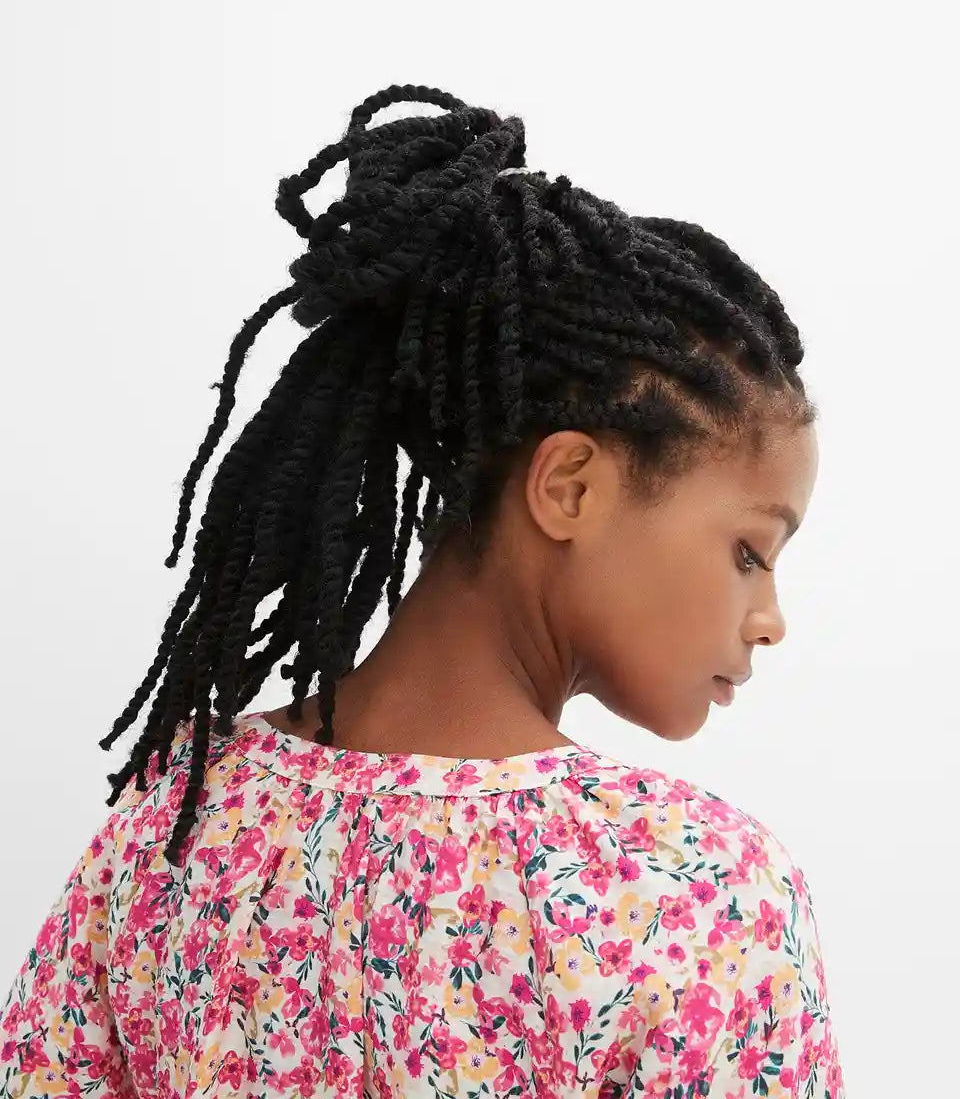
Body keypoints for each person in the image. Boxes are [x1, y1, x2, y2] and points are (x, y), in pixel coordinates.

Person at [0, 84, 845, 1097]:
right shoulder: (699, 898)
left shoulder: (176, 821)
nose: (770, 619)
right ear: (570, 488)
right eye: (751, 550)